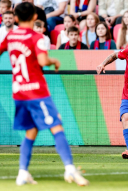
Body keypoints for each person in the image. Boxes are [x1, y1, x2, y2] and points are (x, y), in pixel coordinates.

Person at [0, 2, 89, 186]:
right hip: (36, 92)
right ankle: (70, 169)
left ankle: (23, 173)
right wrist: (54, 60)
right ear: (34, 17)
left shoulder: (10, 35)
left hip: (18, 92)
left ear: (15, 18)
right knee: (57, 126)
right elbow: (42, 59)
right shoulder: (36, 36)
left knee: (30, 132)